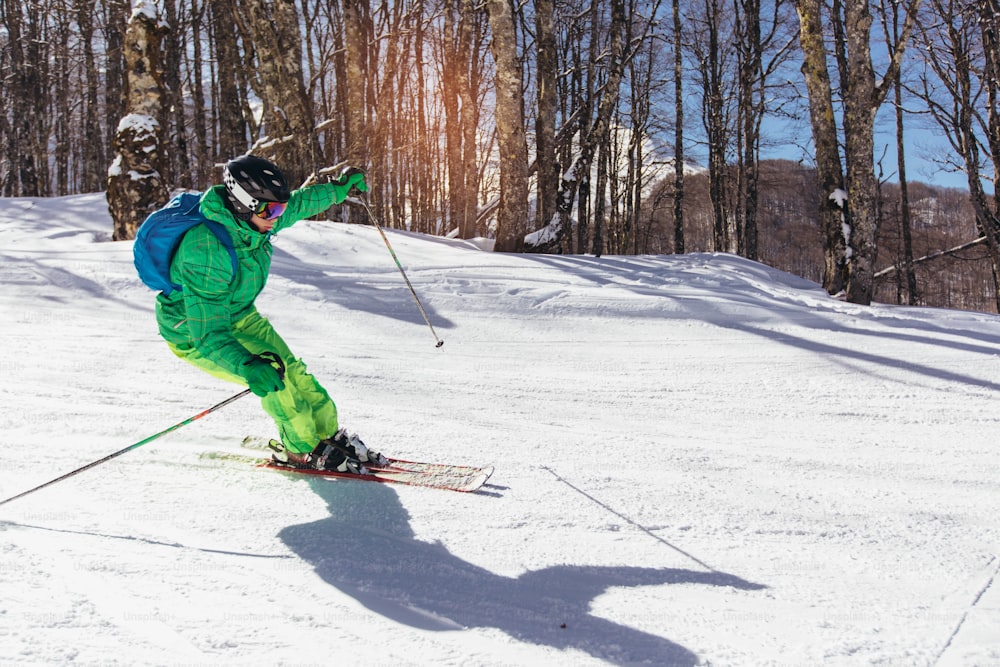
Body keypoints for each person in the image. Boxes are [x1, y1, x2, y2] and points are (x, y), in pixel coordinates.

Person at [154, 154, 384, 473]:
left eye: (278, 208)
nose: (277, 216)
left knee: (293, 369)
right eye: (271, 210)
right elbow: (208, 334)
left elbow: (299, 204)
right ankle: (300, 448)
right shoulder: (205, 251)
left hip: (238, 314)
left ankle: (326, 433)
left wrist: (339, 190)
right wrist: (247, 364)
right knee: (275, 378)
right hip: (193, 331)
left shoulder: (254, 222)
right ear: (244, 204)